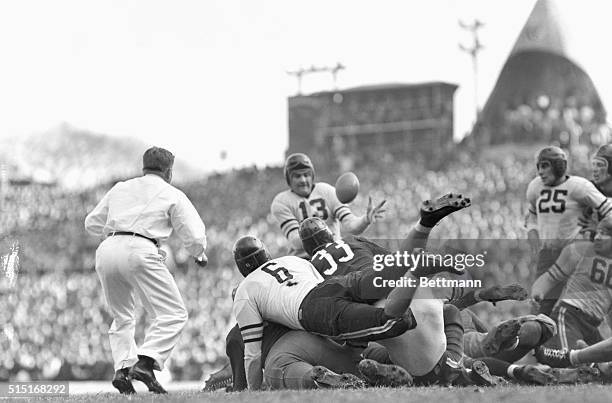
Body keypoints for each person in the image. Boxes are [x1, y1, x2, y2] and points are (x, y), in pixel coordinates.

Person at [84, 146, 208, 395]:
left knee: (122, 317)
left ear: (144, 167)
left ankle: (122, 369)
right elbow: (193, 234)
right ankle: (146, 363)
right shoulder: (171, 192)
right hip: (140, 249)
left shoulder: (120, 187)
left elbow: (91, 223)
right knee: (174, 313)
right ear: (169, 171)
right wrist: (199, 254)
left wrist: (116, 232)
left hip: (107, 250)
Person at [231, 237, 421, 390]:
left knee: (280, 369)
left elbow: (252, 355)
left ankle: (318, 378)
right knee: (354, 350)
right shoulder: (293, 260)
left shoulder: (245, 293)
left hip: (297, 334)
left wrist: (253, 391)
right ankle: (385, 360)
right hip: (323, 325)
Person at [525, 146, 612, 315]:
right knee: (559, 311)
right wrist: (533, 228)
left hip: (595, 259)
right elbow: (532, 215)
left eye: (600, 164)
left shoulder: (583, 188)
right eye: (594, 163)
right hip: (577, 257)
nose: (594, 169)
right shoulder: (588, 187)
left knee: (578, 311)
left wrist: (598, 228)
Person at [531, 216, 612, 368]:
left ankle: (592, 364)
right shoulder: (581, 250)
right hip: (569, 316)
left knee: (605, 363)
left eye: (605, 233)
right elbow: (551, 276)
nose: (599, 237)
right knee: (566, 361)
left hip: (592, 325)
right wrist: (538, 293)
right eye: (598, 232)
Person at [271, 153, 386, 257]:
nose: (303, 179)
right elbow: (295, 241)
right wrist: (325, 235)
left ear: (312, 176)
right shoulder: (281, 202)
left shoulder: (327, 191)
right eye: (297, 176)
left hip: (333, 254)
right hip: (305, 260)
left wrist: (365, 219)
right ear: (289, 179)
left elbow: (351, 225)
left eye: (306, 175)